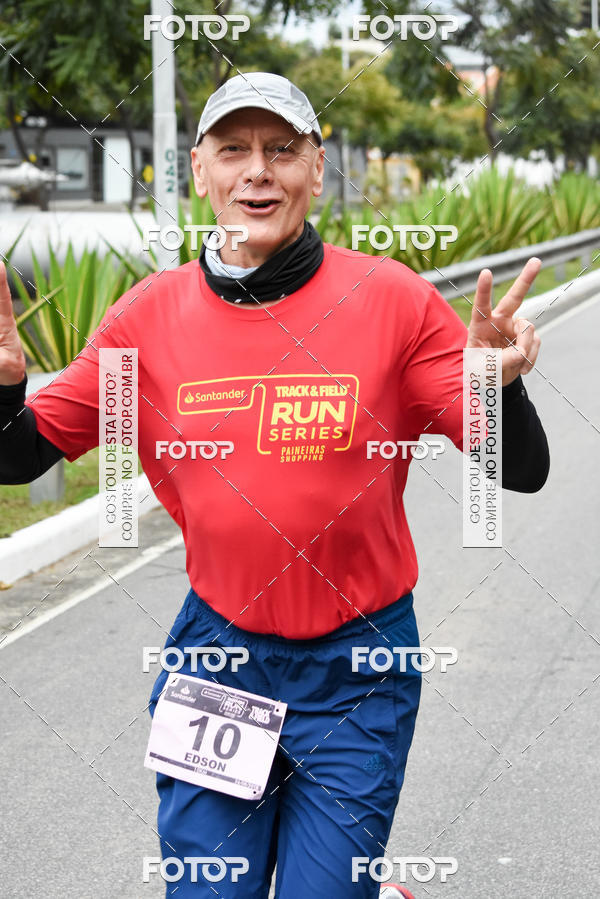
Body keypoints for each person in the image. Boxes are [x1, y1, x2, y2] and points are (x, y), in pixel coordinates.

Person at [0, 72, 549, 898]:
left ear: (316, 171)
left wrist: (497, 384)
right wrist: (9, 389)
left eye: (281, 150)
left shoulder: (391, 301)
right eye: (234, 150)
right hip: (218, 660)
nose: (258, 170)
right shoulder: (144, 321)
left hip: (357, 669)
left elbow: (524, 469)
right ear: (201, 172)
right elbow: (20, 455)